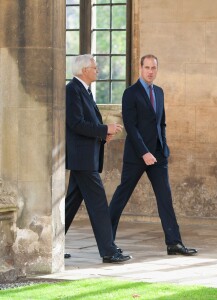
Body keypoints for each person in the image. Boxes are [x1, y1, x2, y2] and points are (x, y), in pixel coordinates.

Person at [109, 54, 197, 256]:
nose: (150, 71)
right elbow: (131, 127)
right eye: (147, 67)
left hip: (158, 155)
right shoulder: (130, 93)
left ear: (157, 69)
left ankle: (174, 243)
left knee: (165, 198)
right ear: (140, 68)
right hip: (137, 156)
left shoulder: (159, 92)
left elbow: (161, 123)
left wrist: (163, 146)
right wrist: (144, 152)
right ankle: (106, 241)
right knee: (121, 197)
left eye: (153, 68)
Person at [65, 54, 131, 263]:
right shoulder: (72, 90)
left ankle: (51, 244)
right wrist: (104, 129)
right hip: (82, 159)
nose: (97, 70)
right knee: (99, 205)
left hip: (85, 158)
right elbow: (76, 124)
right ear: (84, 70)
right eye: (95, 67)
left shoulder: (84, 90)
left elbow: (85, 123)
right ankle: (109, 251)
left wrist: (103, 134)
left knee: (70, 205)